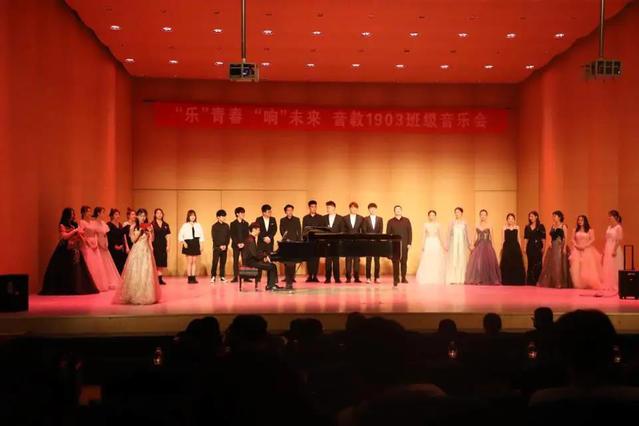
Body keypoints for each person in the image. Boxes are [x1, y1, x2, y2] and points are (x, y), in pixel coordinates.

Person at [40, 208, 99, 295]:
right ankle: (66, 288)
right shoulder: (62, 225)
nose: (73, 215)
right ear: (67, 215)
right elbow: (64, 236)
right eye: (71, 213)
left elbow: (80, 235)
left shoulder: (74, 224)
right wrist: (75, 231)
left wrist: (85, 241)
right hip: (65, 250)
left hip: (74, 248)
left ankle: (76, 288)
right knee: (65, 268)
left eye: (73, 213)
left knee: (77, 269)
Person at [114, 208, 160, 305]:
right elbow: (133, 240)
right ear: (137, 216)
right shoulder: (133, 226)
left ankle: (146, 295)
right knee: (136, 271)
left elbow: (152, 240)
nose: (143, 217)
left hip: (146, 251)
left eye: (144, 215)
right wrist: (140, 232)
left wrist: (151, 232)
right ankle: (133, 294)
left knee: (146, 272)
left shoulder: (149, 226)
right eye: (141, 215)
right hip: (136, 251)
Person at [78, 206, 113, 292]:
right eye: (88, 211)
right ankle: (89, 285)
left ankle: (98, 284)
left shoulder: (91, 222)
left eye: (90, 211)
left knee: (97, 265)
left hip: (95, 243)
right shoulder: (82, 222)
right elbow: (81, 234)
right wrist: (88, 242)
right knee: (89, 263)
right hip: (87, 244)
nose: (90, 213)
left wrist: (96, 242)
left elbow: (96, 233)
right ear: (83, 213)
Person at [242, 222, 281, 291]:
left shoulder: (251, 238)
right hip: (251, 262)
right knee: (272, 266)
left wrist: (264, 256)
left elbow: (256, 252)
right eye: (258, 230)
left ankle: (270, 285)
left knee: (271, 265)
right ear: (254, 229)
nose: (259, 231)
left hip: (252, 260)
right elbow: (255, 254)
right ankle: (271, 285)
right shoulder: (250, 240)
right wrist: (264, 257)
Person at [465, 209, 501, 285]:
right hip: (478, 244)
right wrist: (472, 244)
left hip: (487, 245)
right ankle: (478, 279)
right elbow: (474, 236)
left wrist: (493, 248)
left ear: (486, 216)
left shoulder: (489, 226)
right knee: (477, 263)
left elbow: (492, 238)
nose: (483, 216)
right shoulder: (477, 225)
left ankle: (488, 279)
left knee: (487, 263)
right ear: (480, 216)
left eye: (484, 214)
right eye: (481, 214)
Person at [91, 207, 122, 290]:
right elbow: (94, 235)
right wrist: (99, 243)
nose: (103, 214)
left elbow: (106, 235)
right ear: (98, 213)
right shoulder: (93, 223)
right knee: (99, 264)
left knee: (107, 264)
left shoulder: (103, 223)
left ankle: (108, 281)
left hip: (104, 245)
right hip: (97, 245)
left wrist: (106, 243)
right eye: (102, 212)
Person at [539, 210, 571, 289]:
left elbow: (565, 238)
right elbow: (551, 236)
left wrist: (564, 248)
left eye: (555, 216)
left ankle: (559, 283)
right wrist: (549, 242)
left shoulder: (563, 226)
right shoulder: (553, 225)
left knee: (559, 264)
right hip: (553, 246)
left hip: (560, 246)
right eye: (553, 216)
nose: (553, 217)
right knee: (551, 264)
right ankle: (553, 282)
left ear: (559, 217)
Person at [569, 215, 603, 290]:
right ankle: (579, 283)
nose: (580, 221)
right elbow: (572, 239)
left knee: (587, 267)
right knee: (577, 267)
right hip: (577, 249)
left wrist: (585, 246)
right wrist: (576, 245)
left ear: (585, 221)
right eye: (579, 220)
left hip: (587, 249)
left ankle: (587, 282)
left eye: (582, 220)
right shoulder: (575, 230)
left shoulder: (590, 230)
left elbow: (592, 239)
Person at [416, 210, 446, 285]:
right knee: (427, 259)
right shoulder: (425, 225)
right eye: (430, 215)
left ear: (435, 216)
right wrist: (422, 245)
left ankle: (436, 278)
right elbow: (424, 236)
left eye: (433, 215)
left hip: (436, 243)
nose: (431, 216)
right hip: (428, 243)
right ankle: (427, 277)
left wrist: (443, 245)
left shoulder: (438, 225)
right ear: (428, 216)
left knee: (436, 259)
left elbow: (440, 236)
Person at [445, 207, 472, 285]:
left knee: (461, 260)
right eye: (456, 212)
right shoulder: (452, 222)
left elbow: (467, 234)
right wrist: (447, 244)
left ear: (461, 213)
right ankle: (453, 278)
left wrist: (469, 244)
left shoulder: (464, 223)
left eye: (458, 212)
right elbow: (448, 234)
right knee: (453, 260)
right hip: (453, 244)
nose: (457, 214)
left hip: (462, 244)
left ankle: (461, 279)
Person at [387, 205, 412, 284]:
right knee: (395, 262)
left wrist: (409, 243)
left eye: (399, 209)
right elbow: (388, 234)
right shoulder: (390, 221)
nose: (398, 211)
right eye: (396, 209)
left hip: (404, 245)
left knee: (404, 262)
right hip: (394, 245)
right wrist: (389, 245)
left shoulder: (406, 220)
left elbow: (410, 232)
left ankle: (403, 278)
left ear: (401, 211)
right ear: (394, 211)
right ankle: (396, 278)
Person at [178, 209, 204, 284]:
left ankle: (193, 277)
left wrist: (201, 245)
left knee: (194, 261)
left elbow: (201, 236)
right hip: (188, 243)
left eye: (193, 215)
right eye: (191, 215)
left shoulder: (198, 225)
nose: (192, 217)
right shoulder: (185, 225)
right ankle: (189, 278)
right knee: (189, 261)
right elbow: (180, 235)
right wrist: (184, 243)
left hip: (196, 243)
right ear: (188, 217)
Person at [279, 204, 302, 288]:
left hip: (294, 242)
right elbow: (281, 230)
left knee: (293, 260)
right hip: (286, 243)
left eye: (291, 210)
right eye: (288, 210)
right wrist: (286, 238)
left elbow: (299, 230)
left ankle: (292, 277)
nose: (290, 212)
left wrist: (298, 241)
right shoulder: (282, 220)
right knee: (286, 261)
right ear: (285, 211)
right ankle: (287, 277)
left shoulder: (296, 219)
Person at [302, 200, 324, 282]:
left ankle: (315, 275)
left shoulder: (320, 218)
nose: (313, 208)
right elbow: (304, 230)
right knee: (309, 259)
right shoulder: (305, 218)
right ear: (309, 208)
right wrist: (304, 240)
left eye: (315, 207)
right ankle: (310, 275)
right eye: (312, 207)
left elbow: (322, 230)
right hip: (308, 241)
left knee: (316, 259)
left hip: (317, 241)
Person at [501, 213, 526, 285]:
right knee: (507, 263)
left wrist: (520, 247)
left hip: (515, 247)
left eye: (512, 219)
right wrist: (502, 248)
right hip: (507, 247)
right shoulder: (504, 228)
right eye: (509, 218)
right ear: (507, 220)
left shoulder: (517, 227)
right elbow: (503, 239)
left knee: (516, 263)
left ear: (514, 220)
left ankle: (516, 280)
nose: (510, 220)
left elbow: (519, 238)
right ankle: (507, 280)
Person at [343, 202, 364, 283]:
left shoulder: (361, 218)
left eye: (355, 208)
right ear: (350, 208)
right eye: (352, 207)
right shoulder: (345, 218)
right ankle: (348, 278)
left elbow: (362, 231)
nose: (353, 209)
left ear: (357, 209)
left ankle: (356, 277)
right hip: (348, 242)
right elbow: (343, 230)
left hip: (357, 242)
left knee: (356, 260)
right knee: (348, 260)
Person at [256, 204, 277, 284]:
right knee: (259, 260)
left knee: (269, 259)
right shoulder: (258, 219)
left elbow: (274, 229)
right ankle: (258, 278)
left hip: (269, 242)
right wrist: (264, 238)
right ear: (263, 212)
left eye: (270, 212)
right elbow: (257, 230)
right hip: (261, 243)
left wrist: (269, 237)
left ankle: (270, 279)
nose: (270, 213)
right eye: (268, 212)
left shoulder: (273, 219)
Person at [363, 203, 384, 283]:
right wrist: (370, 238)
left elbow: (380, 231)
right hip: (368, 243)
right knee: (368, 261)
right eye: (370, 208)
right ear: (369, 210)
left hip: (377, 243)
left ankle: (377, 277)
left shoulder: (380, 219)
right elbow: (364, 230)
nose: (372, 210)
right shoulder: (365, 219)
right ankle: (368, 277)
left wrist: (376, 239)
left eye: (373, 208)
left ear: (376, 209)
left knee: (377, 261)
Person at [602, 210, 623, 290]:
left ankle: (615, 284)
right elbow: (606, 238)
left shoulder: (618, 227)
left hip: (614, 247)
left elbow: (618, 240)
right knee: (608, 266)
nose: (609, 218)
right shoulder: (609, 227)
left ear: (616, 217)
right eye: (609, 216)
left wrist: (614, 250)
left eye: (611, 216)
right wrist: (604, 249)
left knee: (614, 266)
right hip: (608, 247)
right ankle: (608, 284)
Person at [524, 210, 546, 285]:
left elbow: (543, 238)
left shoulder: (541, 226)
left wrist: (544, 247)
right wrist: (524, 247)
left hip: (538, 246)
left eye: (532, 216)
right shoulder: (527, 227)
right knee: (530, 263)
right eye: (529, 216)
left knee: (537, 263)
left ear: (536, 217)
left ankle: (538, 280)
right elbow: (526, 238)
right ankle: (530, 281)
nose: (530, 218)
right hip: (530, 247)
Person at [324, 201, 343, 283]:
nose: (328, 209)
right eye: (327, 207)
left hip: (336, 243)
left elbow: (342, 231)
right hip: (327, 243)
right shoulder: (324, 218)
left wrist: (340, 242)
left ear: (334, 208)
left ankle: (337, 278)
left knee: (336, 261)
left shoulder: (340, 218)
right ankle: (327, 278)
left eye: (329, 207)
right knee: (328, 261)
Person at [210, 209, 230, 283]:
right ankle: (213, 276)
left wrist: (225, 245)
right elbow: (214, 237)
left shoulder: (226, 226)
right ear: (218, 217)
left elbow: (228, 237)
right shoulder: (214, 226)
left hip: (224, 247)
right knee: (215, 262)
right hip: (217, 248)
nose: (224, 217)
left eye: (224, 216)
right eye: (222, 216)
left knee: (223, 263)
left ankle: (222, 276)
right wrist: (220, 245)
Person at [230, 207, 249, 283]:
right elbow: (232, 235)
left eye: (243, 213)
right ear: (237, 214)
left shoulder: (246, 223)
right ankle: (235, 277)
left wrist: (243, 243)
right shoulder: (233, 223)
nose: (243, 214)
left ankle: (245, 277)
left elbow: (247, 235)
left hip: (244, 245)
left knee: (245, 260)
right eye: (241, 213)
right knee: (236, 260)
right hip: (236, 245)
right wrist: (238, 243)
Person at [152, 208, 171, 285]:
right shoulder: (152, 224)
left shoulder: (166, 225)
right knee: (155, 263)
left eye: (161, 213)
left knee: (161, 263)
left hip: (163, 245)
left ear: (163, 214)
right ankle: (155, 279)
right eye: (157, 213)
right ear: (155, 214)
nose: (159, 214)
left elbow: (168, 236)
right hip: (154, 245)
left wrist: (168, 245)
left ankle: (160, 279)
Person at [106, 208, 127, 274]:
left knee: (121, 263)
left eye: (118, 214)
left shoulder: (120, 224)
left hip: (121, 246)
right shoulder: (109, 224)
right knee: (114, 264)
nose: (118, 216)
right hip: (113, 247)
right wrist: (114, 245)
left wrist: (122, 245)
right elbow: (109, 237)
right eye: (116, 214)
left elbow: (122, 235)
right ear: (112, 215)